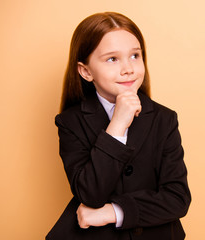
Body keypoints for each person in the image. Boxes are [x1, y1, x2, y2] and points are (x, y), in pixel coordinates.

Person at [46, 12, 191, 240]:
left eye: (135, 56)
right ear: (86, 71)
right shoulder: (70, 122)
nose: (128, 69)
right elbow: (91, 193)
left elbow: (177, 199)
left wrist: (112, 212)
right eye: (112, 59)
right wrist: (118, 124)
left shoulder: (165, 119)